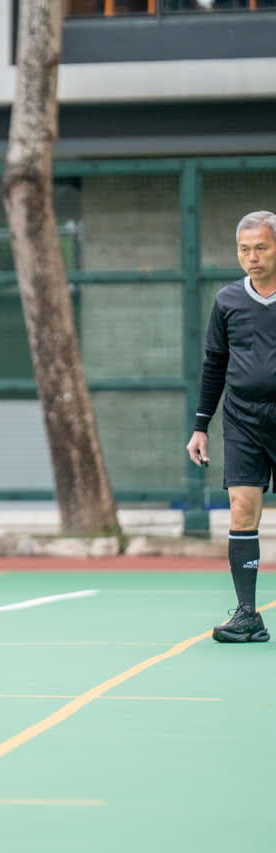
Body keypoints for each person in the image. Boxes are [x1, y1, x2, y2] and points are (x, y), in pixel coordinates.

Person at [186, 210, 276, 643]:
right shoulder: (227, 300)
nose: (252, 257)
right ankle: (247, 616)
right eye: (244, 249)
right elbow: (214, 364)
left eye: (261, 248)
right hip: (242, 417)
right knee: (242, 508)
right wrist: (200, 426)